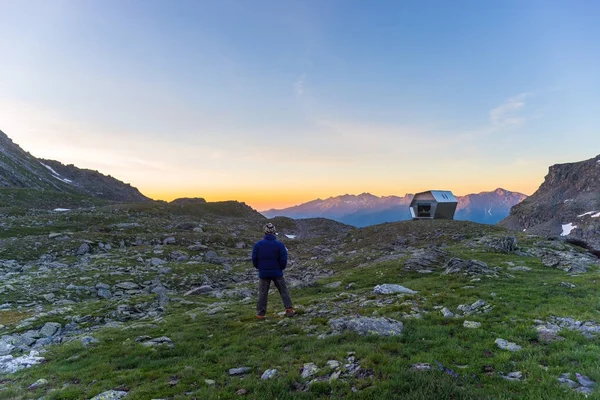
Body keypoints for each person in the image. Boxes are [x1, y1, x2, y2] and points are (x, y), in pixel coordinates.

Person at [252, 223, 295, 319]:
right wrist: (281, 268)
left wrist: (259, 267)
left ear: (265, 231)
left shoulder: (258, 245)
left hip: (263, 273)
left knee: (262, 293)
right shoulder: (279, 244)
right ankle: (289, 309)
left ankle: (260, 314)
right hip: (277, 272)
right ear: (274, 231)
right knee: (283, 290)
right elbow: (283, 259)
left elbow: (254, 258)